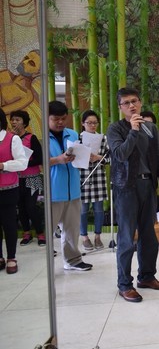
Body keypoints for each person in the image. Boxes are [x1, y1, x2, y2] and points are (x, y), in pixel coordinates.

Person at [106, 87, 159, 303]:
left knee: (149, 236)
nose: (131, 105)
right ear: (120, 107)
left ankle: (147, 276)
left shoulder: (151, 128)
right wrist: (133, 131)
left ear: (140, 102)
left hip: (147, 186)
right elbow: (120, 154)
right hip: (126, 188)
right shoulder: (115, 129)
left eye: (134, 101)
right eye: (126, 103)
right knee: (126, 238)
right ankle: (125, 284)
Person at [48, 101, 93, 272]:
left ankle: (73, 260)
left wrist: (89, 156)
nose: (60, 122)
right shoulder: (41, 137)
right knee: (49, 231)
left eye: (63, 119)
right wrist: (58, 159)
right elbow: (36, 165)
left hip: (73, 189)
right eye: (55, 119)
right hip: (53, 191)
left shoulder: (73, 134)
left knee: (72, 229)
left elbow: (81, 155)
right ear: (48, 118)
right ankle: (46, 264)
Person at [10, 110, 44, 246]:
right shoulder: (10, 139)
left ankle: (41, 233)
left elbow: (39, 159)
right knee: (21, 207)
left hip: (32, 177)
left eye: (17, 120)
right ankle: (27, 233)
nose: (14, 122)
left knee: (31, 207)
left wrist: (23, 163)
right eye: (12, 120)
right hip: (16, 179)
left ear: (24, 122)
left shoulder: (32, 138)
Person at [0, 107, 27, 274]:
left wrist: (3, 165)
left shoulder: (12, 139)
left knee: (9, 224)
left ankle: (11, 257)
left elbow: (22, 162)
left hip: (8, 189)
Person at [79, 110, 110, 251]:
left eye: (94, 123)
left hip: (98, 176)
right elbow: (72, 157)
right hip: (82, 177)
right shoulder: (78, 139)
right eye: (89, 123)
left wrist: (98, 157)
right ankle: (84, 237)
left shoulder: (103, 138)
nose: (92, 125)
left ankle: (98, 236)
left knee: (99, 209)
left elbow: (110, 158)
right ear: (83, 124)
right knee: (83, 210)